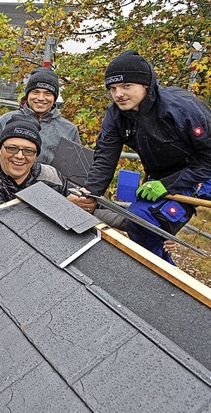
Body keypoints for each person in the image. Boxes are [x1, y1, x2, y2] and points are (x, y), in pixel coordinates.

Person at [68, 50, 211, 264]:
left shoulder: (181, 108)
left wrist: (169, 184)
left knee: (147, 221)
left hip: (201, 174)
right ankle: (158, 275)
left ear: (145, 85)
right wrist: (89, 195)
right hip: (161, 177)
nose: (119, 94)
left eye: (127, 86)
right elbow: (105, 158)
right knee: (140, 224)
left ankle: (164, 281)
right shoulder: (116, 115)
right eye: (113, 88)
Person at [0, 114, 68, 213]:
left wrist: (78, 201)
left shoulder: (51, 175)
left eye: (29, 151)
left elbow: (73, 199)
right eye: (12, 148)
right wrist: (63, 205)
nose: (20, 156)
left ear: (36, 154)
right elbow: (7, 219)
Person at [0, 67, 81, 164]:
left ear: (55, 97)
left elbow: (73, 168)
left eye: (47, 93)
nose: (41, 98)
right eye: (35, 92)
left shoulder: (69, 130)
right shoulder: (6, 120)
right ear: (28, 95)